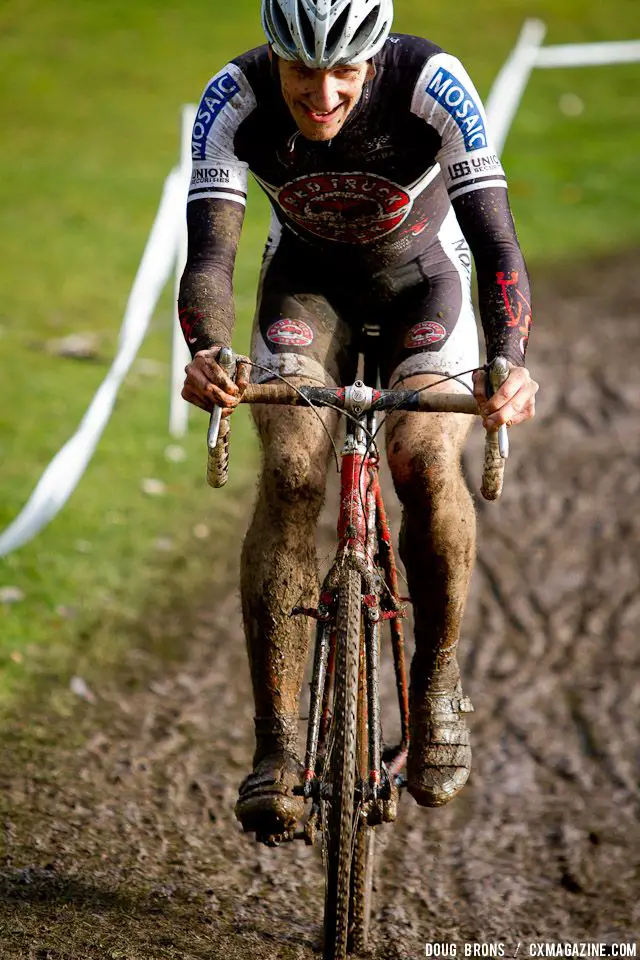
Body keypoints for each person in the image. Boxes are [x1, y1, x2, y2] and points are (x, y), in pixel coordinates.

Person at [179, 0, 538, 843]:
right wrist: (206, 351)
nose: (325, 93)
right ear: (275, 55)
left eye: (347, 69)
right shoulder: (231, 97)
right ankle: (276, 747)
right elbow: (211, 256)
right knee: (296, 472)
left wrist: (509, 362)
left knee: (421, 460)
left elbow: (497, 248)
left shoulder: (432, 83)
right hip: (304, 290)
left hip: (426, 287)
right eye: (302, 68)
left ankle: (438, 675)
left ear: (376, 56)